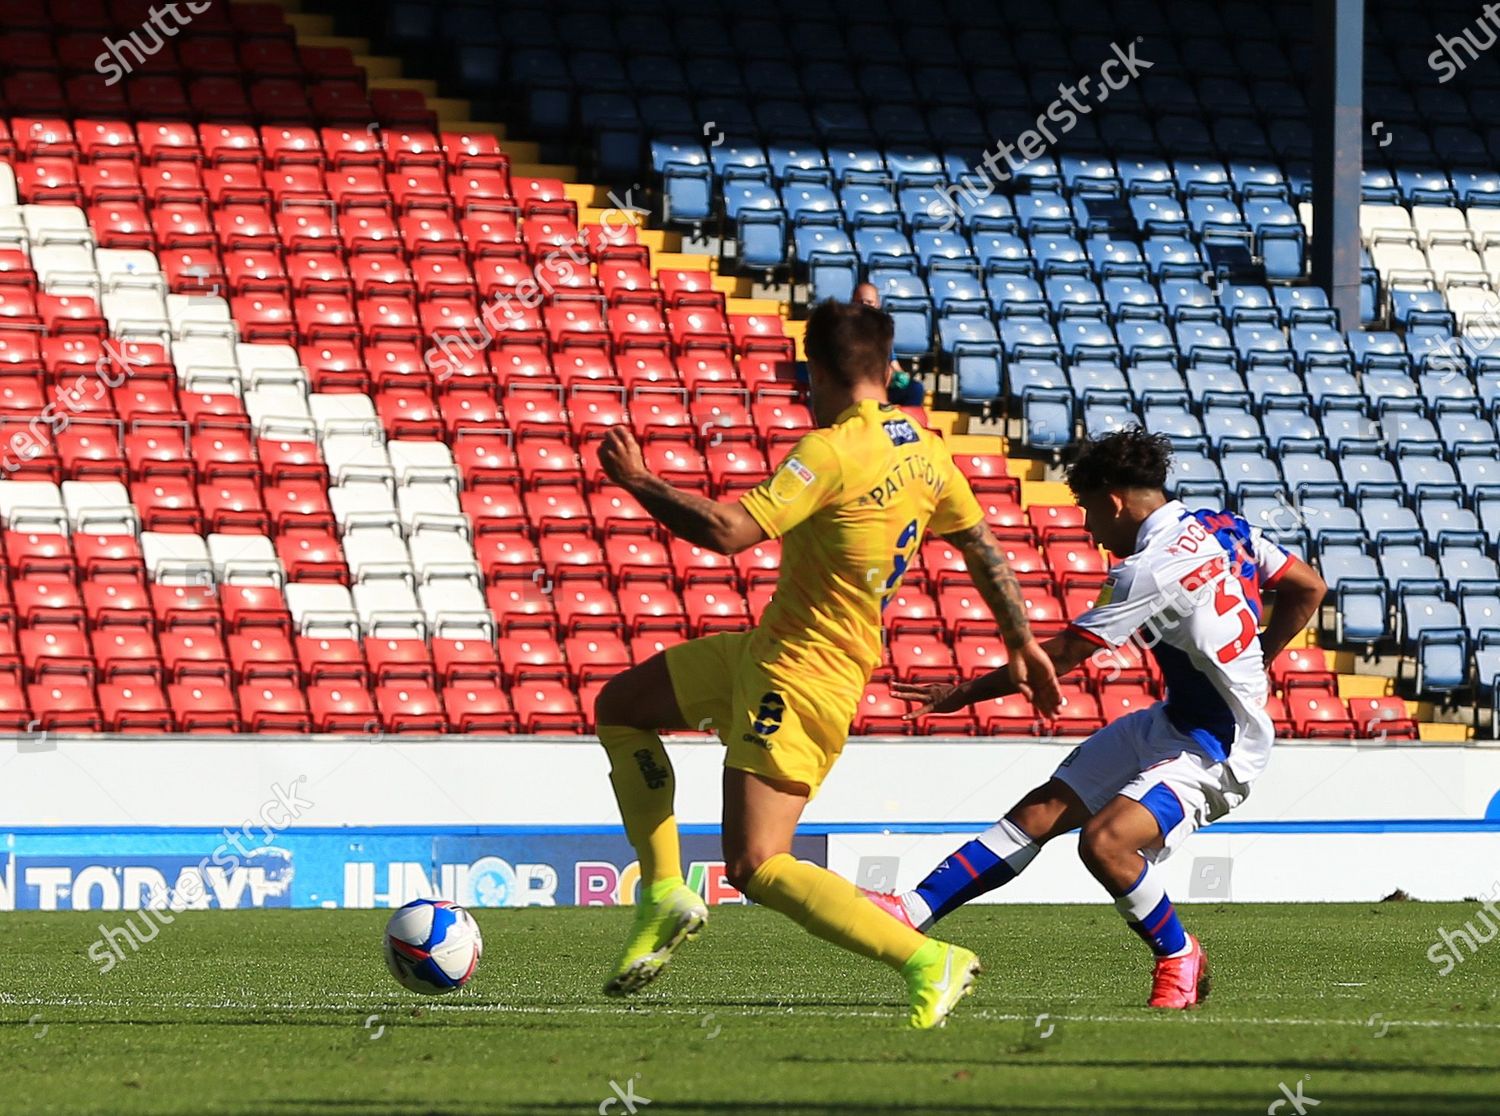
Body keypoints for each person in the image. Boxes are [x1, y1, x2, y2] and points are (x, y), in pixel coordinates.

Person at [594, 298, 1062, 1028]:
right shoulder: (927, 448)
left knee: (755, 863)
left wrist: (638, 480)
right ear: (886, 364)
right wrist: (1022, 640)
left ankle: (925, 959)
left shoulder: (832, 450)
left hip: (802, 673)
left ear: (818, 371)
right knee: (621, 708)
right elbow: (981, 547)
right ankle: (662, 893)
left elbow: (727, 532)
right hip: (768, 648)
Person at [870, 428, 1327, 1009]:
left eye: (1087, 510)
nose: (1087, 528)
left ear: (1114, 501)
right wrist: (1265, 652)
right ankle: (911, 910)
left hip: (1218, 747)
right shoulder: (1222, 526)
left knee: (1106, 843)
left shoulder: (1146, 569)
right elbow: (1308, 586)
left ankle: (1178, 953)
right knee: (1039, 812)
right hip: (1175, 721)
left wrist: (960, 693)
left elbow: (1060, 657)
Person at [853, 282, 925, 407]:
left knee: (915, 389)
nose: (864, 306)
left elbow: (894, 364)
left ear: (877, 304)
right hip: (857, 387)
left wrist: (900, 376)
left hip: (882, 386)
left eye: (869, 302)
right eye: (860, 302)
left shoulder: (881, 332)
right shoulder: (845, 331)